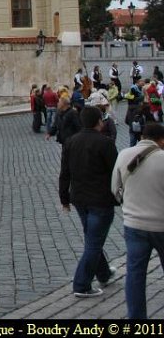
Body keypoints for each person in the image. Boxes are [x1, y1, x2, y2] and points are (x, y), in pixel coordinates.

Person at [59, 106, 119, 298]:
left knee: (93, 238)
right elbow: (116, 173)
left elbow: (65, 173)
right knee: (93, 242)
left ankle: (103, 273)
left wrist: (64, 198)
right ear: (99, 122)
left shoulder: (70, 142)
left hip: (79, 199)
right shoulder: (105, 143)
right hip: (101, 201)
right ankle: (81, 284)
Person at [111, 122, 164, 319]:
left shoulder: (124, 154)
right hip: (161, 224)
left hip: (133, 224)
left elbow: (114, 189)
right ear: (161, 140)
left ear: (142, 136)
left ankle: (136, 319)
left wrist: (130, 206)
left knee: (135, 273)